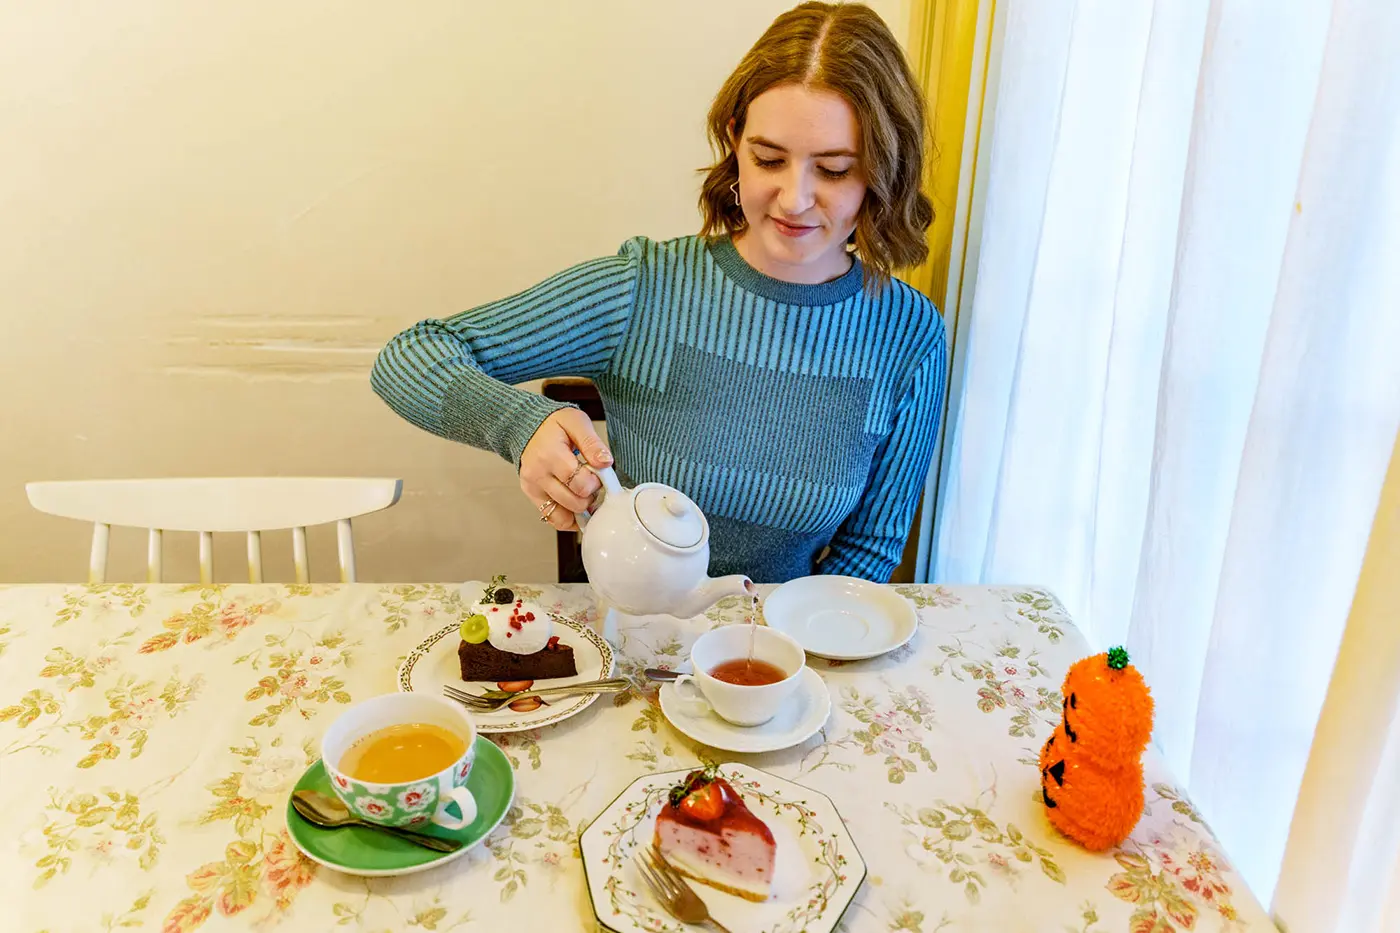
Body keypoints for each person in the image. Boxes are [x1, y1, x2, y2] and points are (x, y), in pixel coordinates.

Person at [372, 1, 947, 584]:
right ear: (735, 141)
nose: (794, 198)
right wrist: (520, 425)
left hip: (777, 652)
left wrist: (773, 651)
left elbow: (870, 552)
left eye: (834, 170)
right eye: (768, 158)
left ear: (883, 171)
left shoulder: (908, 335)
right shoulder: (644, 290)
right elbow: (410, 357)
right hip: (635, 646)